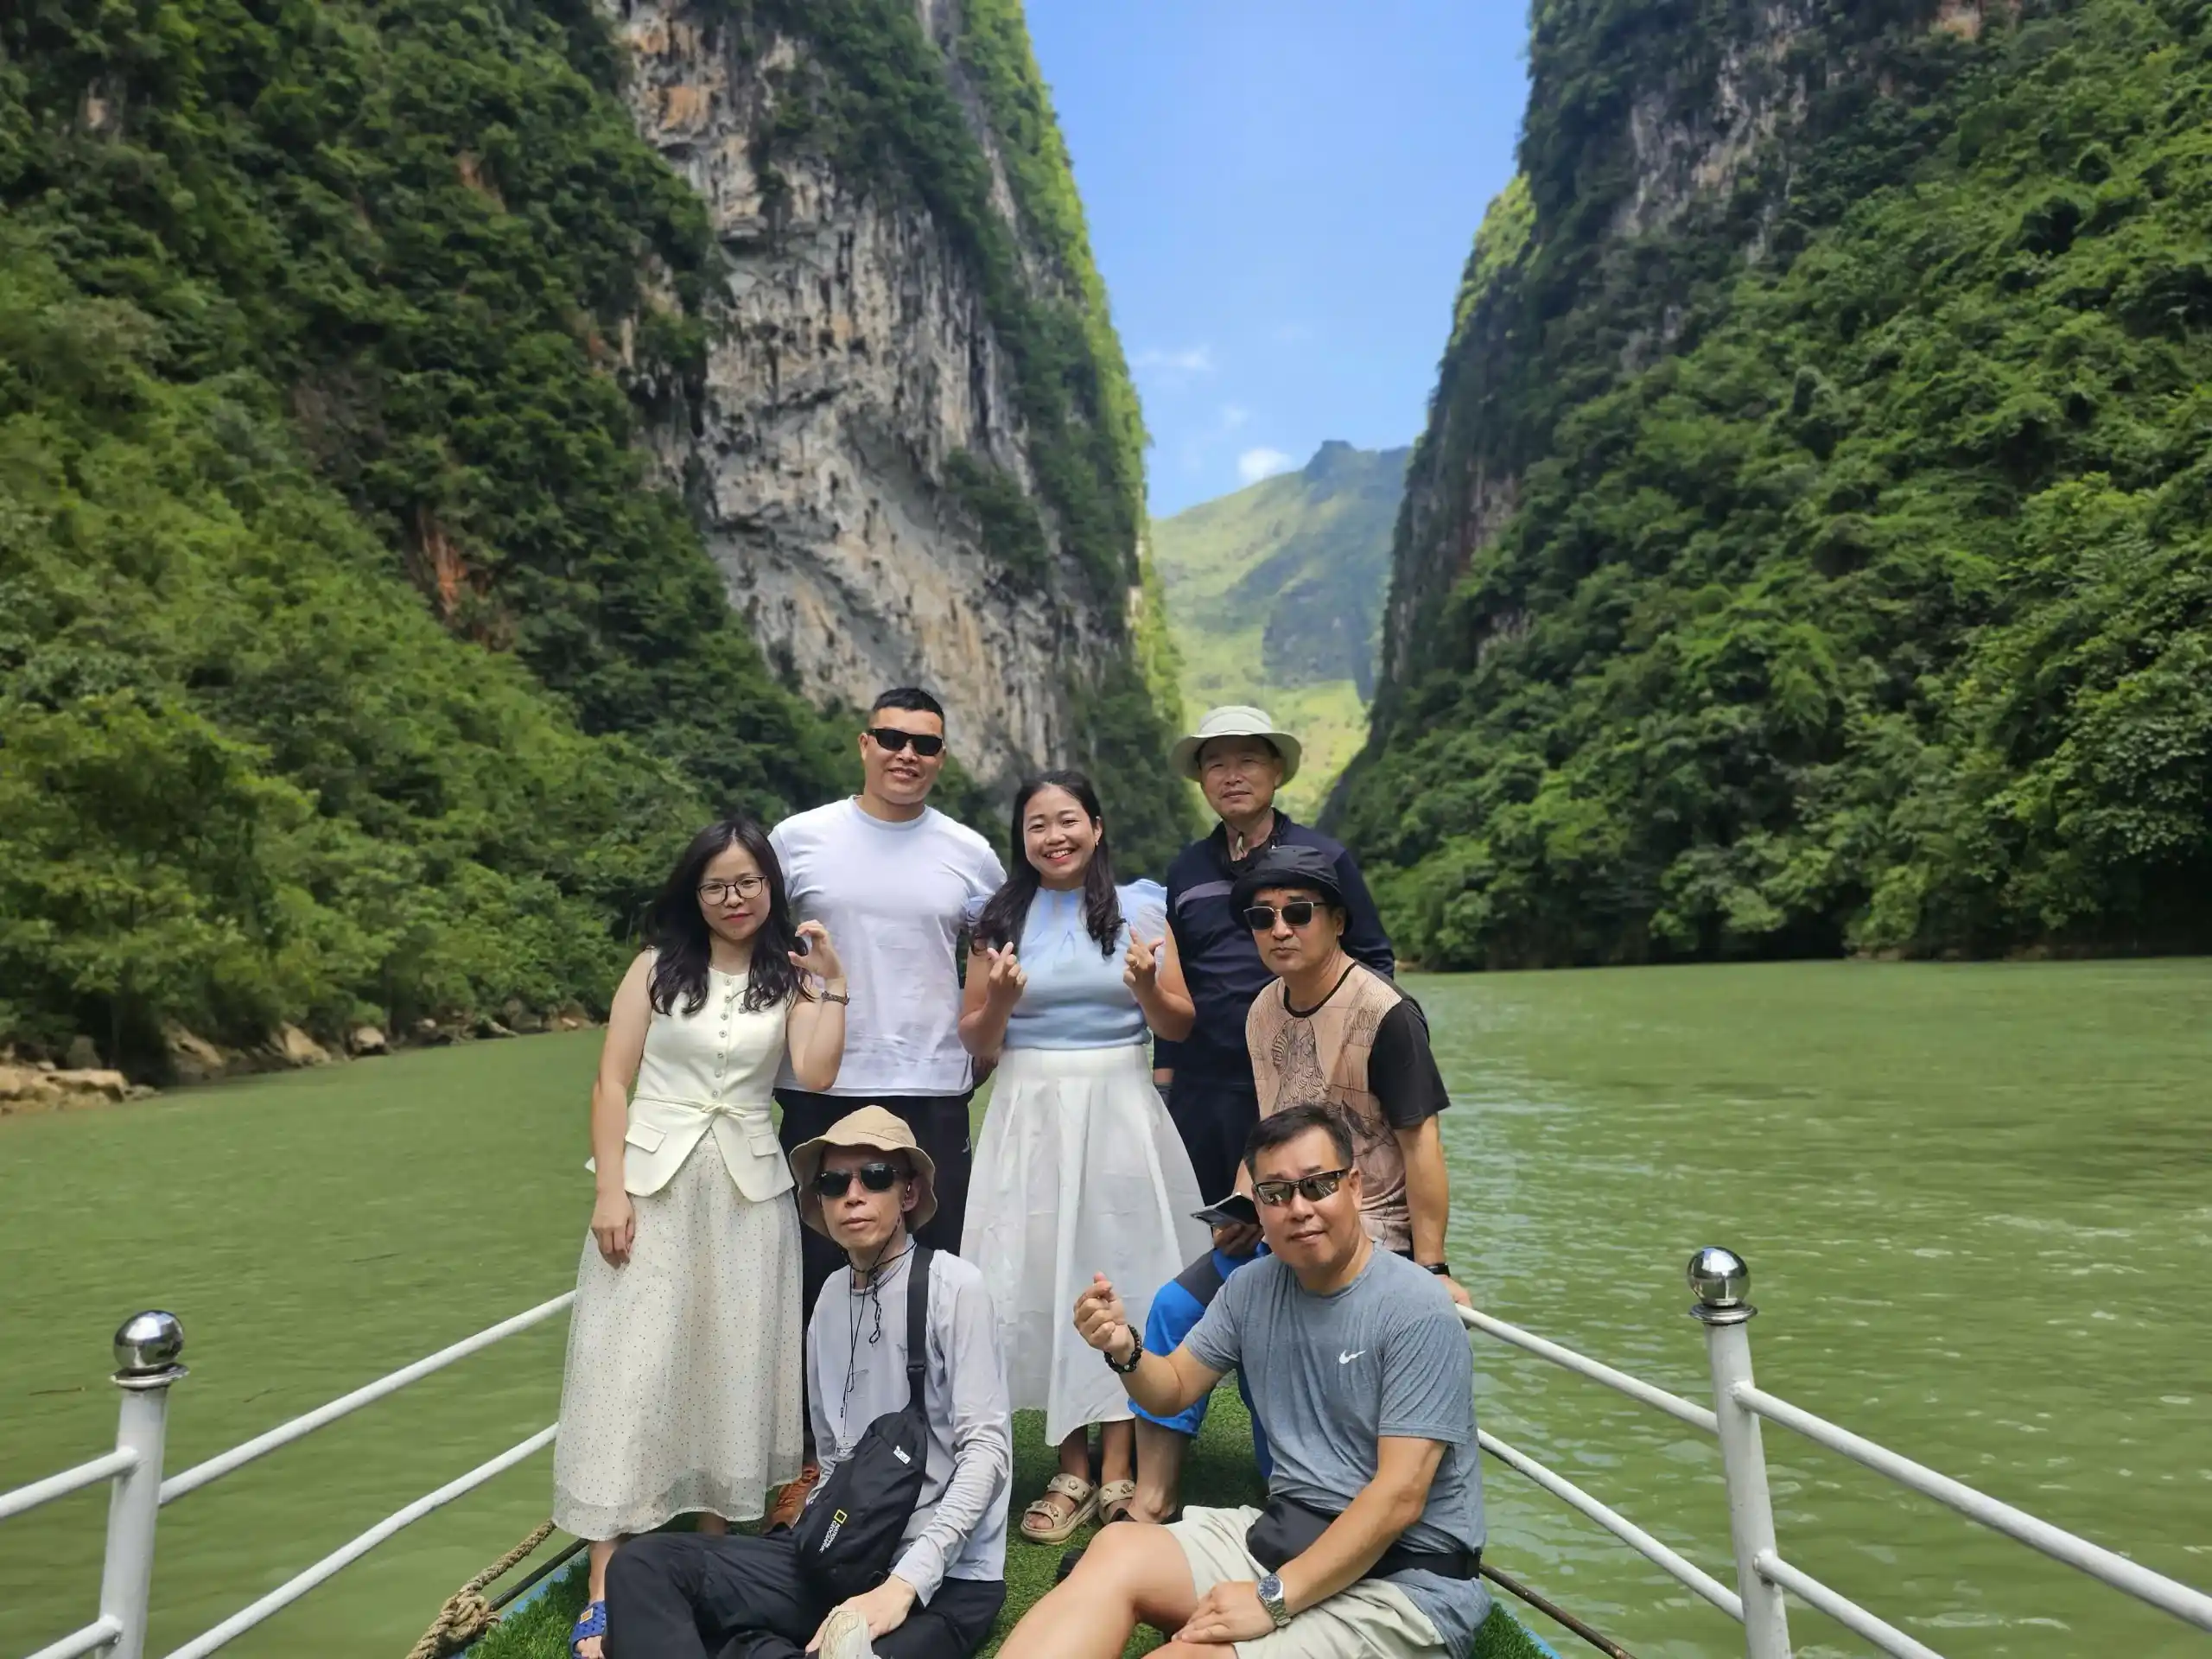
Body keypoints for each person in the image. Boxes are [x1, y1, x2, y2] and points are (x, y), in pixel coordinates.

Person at [996, 1103, 1490, 1659]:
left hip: (1405, 1583)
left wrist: (1271, 1600)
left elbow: (1398, 1498)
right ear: (1257, 1206)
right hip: (1285, 1536)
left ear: (1353, 1186)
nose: (1299, 1208)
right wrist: (1125, 1350)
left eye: (1317, 1185)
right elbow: (1175, 1386)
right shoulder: (1253, 1288)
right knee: (1113, 1550)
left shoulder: (1417, 1308)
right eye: (1277, 1193)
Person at [554, 817, 848, 1659]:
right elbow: (613, 1080)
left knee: (733, 1360)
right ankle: (605, 1581)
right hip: (653, 1187)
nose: (733, 898)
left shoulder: (785, 977)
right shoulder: (653, 969)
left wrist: (832, 983)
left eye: (748, 883)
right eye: (717, 885)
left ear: (771, 889)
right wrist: (611, 1188)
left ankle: (714, 1555)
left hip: (749, 1193)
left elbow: (818, 1072)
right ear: (694, 892)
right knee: (630, 1367)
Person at [604, 1108, 1012, 1659]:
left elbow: (987, 1453)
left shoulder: (956, 1288)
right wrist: (803, 1538)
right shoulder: (829, 1299)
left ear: (908, 1194)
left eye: (874, 1177)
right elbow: (836, 1454)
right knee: (643, 1565)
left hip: (943, 1578)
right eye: (832, 1182)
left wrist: (903, 1585)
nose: (853, 1195)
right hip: (838, 1555)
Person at [770, 688, 1006, 1518]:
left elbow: (993, 963)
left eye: (927, 745)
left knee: (929, 1269)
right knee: (819, 1268)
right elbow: (756, 946)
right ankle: (815, 1457)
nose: (908, 755)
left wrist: (987, 1052)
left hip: (931, 1087)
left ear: (942, 758)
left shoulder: (971, 854)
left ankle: (939, 1447)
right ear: (864, 744)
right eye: (894, 739)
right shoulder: (799, 840)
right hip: (821, 1083)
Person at [958, 770, 1211, 1544]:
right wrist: (998, 1000)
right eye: (1038, 825)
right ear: (1022, 839)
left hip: (1121, 1106)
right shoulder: (997, 918)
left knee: (1124, 1269)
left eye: (1068, 821)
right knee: (1039, 1272)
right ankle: (1069, 1462)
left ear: (1097, 827)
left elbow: (1178, 1025)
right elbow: (975, 1040)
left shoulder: (1140, 908)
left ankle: (1120, 1464)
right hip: (1030, 1110)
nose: (1054, 837)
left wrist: (1144, 988)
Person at [1160, 705, 1394, 1214]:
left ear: (1277, 772)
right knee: (1211, 1220)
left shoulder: (1324, 858)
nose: (1232, 776)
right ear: (1201, 779)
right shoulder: (1185, 870)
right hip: (1207, 1085)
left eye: (1248, 760)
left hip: (1304, 1081)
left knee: (1301, 1215)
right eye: (1216, 764)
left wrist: (1352, 1060)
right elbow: (1174, 979)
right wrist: (1166, 1080)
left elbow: (1374, 959)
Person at [1236, 845, 1472, 1308]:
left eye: (1298, 913)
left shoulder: (1387, 1013)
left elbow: (1421, 1143)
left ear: (1338, 922)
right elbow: (1269, 1128)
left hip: (1373, 1236)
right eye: (1262, 918)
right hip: (1286, 1224)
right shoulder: (1261, 1011)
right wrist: (1245, 1204)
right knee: (1174, 1307)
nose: (1280, 930)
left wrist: (1433, 1270)